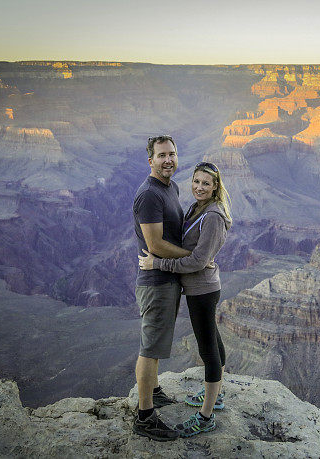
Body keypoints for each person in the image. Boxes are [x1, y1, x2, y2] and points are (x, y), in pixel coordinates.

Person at [139, 160, 232, 437]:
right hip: (200, 288)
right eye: (196, 181)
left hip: (202, 289)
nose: (199, 187)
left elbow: (198, 261)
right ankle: (216, 395)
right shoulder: (197, 207)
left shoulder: (213, 215)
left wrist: (158, 264)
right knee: (213, 339)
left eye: (206, 183)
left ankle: (206, 416)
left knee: (207, 349)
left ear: (216, 187)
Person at [131, 135, 190, 442]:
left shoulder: (171, 188)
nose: (168, 159)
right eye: (162, 155)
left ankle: (154, 391)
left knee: (155, 342)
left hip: (167, 279)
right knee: (150, 347)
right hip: (155, 283)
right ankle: (145, 416)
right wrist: (193, 259)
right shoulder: (149, 195)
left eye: (172, 154)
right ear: (150, 160)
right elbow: (155, 244)